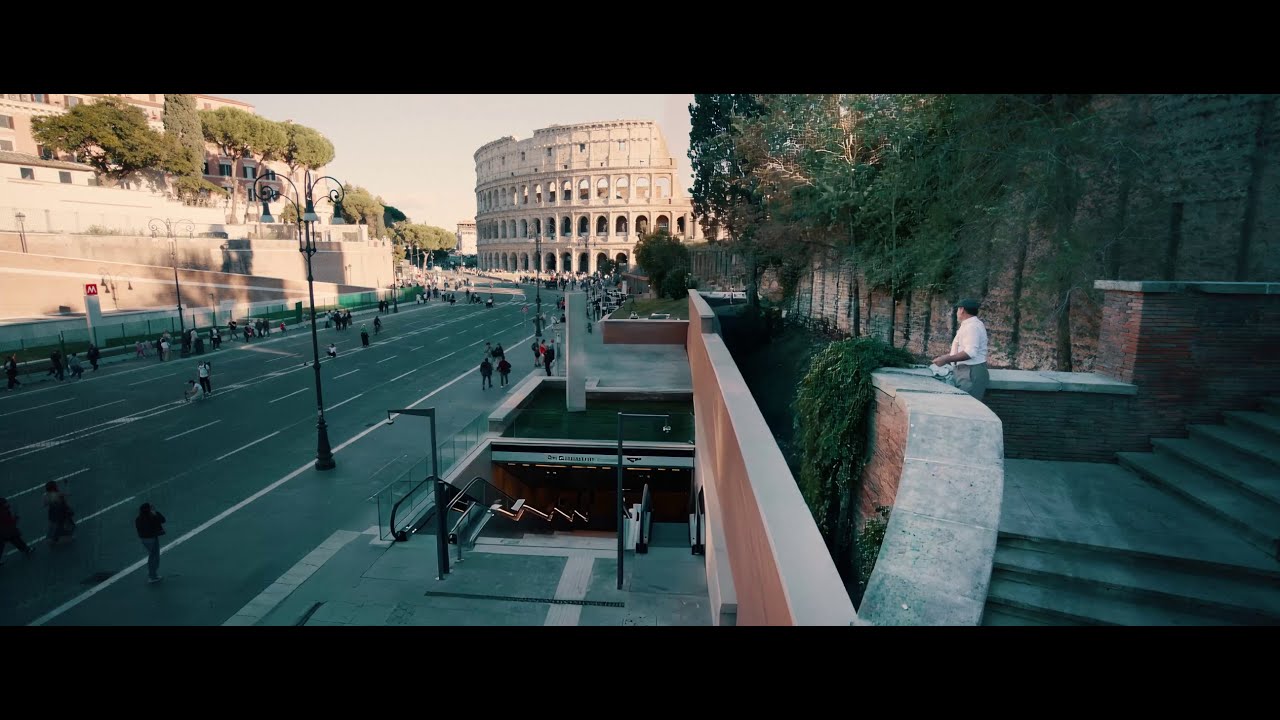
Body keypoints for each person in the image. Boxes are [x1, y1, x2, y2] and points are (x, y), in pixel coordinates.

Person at [932, 298, 990, 401]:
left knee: (967, 407)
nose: (957, 313)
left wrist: (946, 359)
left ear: (962, 310)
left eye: (958, 310)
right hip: (966, 371)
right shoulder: (970, 325)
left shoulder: (972, 327)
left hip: (970, 372)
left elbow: (970, 352)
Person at [135, 503, 166, 583]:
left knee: (152, 556)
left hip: (144, 539)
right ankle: (152, 576)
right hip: (152, 538)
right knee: (154, 557)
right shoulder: (152, 517)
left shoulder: (139, 518)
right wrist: (155, 514)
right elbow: (162, 520)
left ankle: (152, 574)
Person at [43, 481, 74, 546]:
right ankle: (60, 537)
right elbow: (68, 494)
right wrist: (66, 484)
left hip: (53, 513)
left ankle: (54, 538)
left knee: (55, 526)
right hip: (61, 512)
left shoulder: (46, 495)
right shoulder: (59, 494)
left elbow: (45, 504)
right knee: (65, 524)